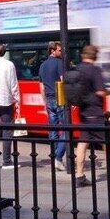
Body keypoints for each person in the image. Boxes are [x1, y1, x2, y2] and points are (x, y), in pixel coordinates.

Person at [72, 45, 110, 187]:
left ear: (83, 55)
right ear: (95, 56)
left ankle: (79, 176)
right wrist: (109, 91)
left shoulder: (77, 69)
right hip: (95, 113)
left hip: (83, 113)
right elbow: (101, 92)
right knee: (109, 145)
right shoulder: (94, 70)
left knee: (82, 144)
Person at [38, 41, 67, 171]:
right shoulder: (60, 63)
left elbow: (41, 87)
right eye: (60, 50)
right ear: (52, 51)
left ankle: (55, 157)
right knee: (67, 130)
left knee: (53, 130)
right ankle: (58, 158)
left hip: (49, 100)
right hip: (60, 99)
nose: (62, 53)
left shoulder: (42, 66)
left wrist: (45, 101)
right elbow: (63, 81)